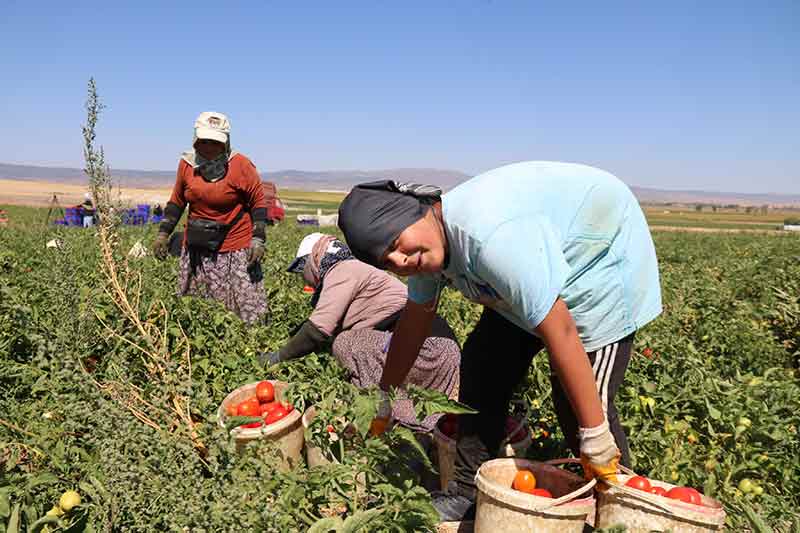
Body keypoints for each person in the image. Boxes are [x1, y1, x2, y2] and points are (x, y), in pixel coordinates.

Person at [337, 161, 662, 520]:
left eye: (397, 244)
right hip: (534, 264)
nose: (401, 260)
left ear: (419, 210)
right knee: (482, 365)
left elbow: (562, 330)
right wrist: (385, 398)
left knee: (581, 408)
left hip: (597, 256)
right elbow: (413, 324)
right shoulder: (428, 246)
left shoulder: (491, 238)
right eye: (389, 262)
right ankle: (466, 491)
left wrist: (597, 437)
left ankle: (624, 514)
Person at [260, 232, 461, 432]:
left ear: (315, 259)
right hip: (438, 349)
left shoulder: (342, 270)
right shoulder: (355, 268)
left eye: (302, 269)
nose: (305, 278)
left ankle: (382, 408)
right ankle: (405, 405)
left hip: (427, 350)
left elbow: (317, 330)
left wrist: (278, 357)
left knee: (345, 343)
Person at [152, 111, 269, 325]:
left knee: (248, 308)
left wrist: (258, 239)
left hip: (236, 246)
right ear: (195, 140)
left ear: (226, 143)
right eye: (204, 141)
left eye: (214, 142)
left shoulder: (241, 165)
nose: (208, 147)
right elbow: (177, 202)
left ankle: (253, 347)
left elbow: (259, 204)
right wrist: (163, 234)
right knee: (199, 311)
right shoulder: (187, 165)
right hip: (198, 247)